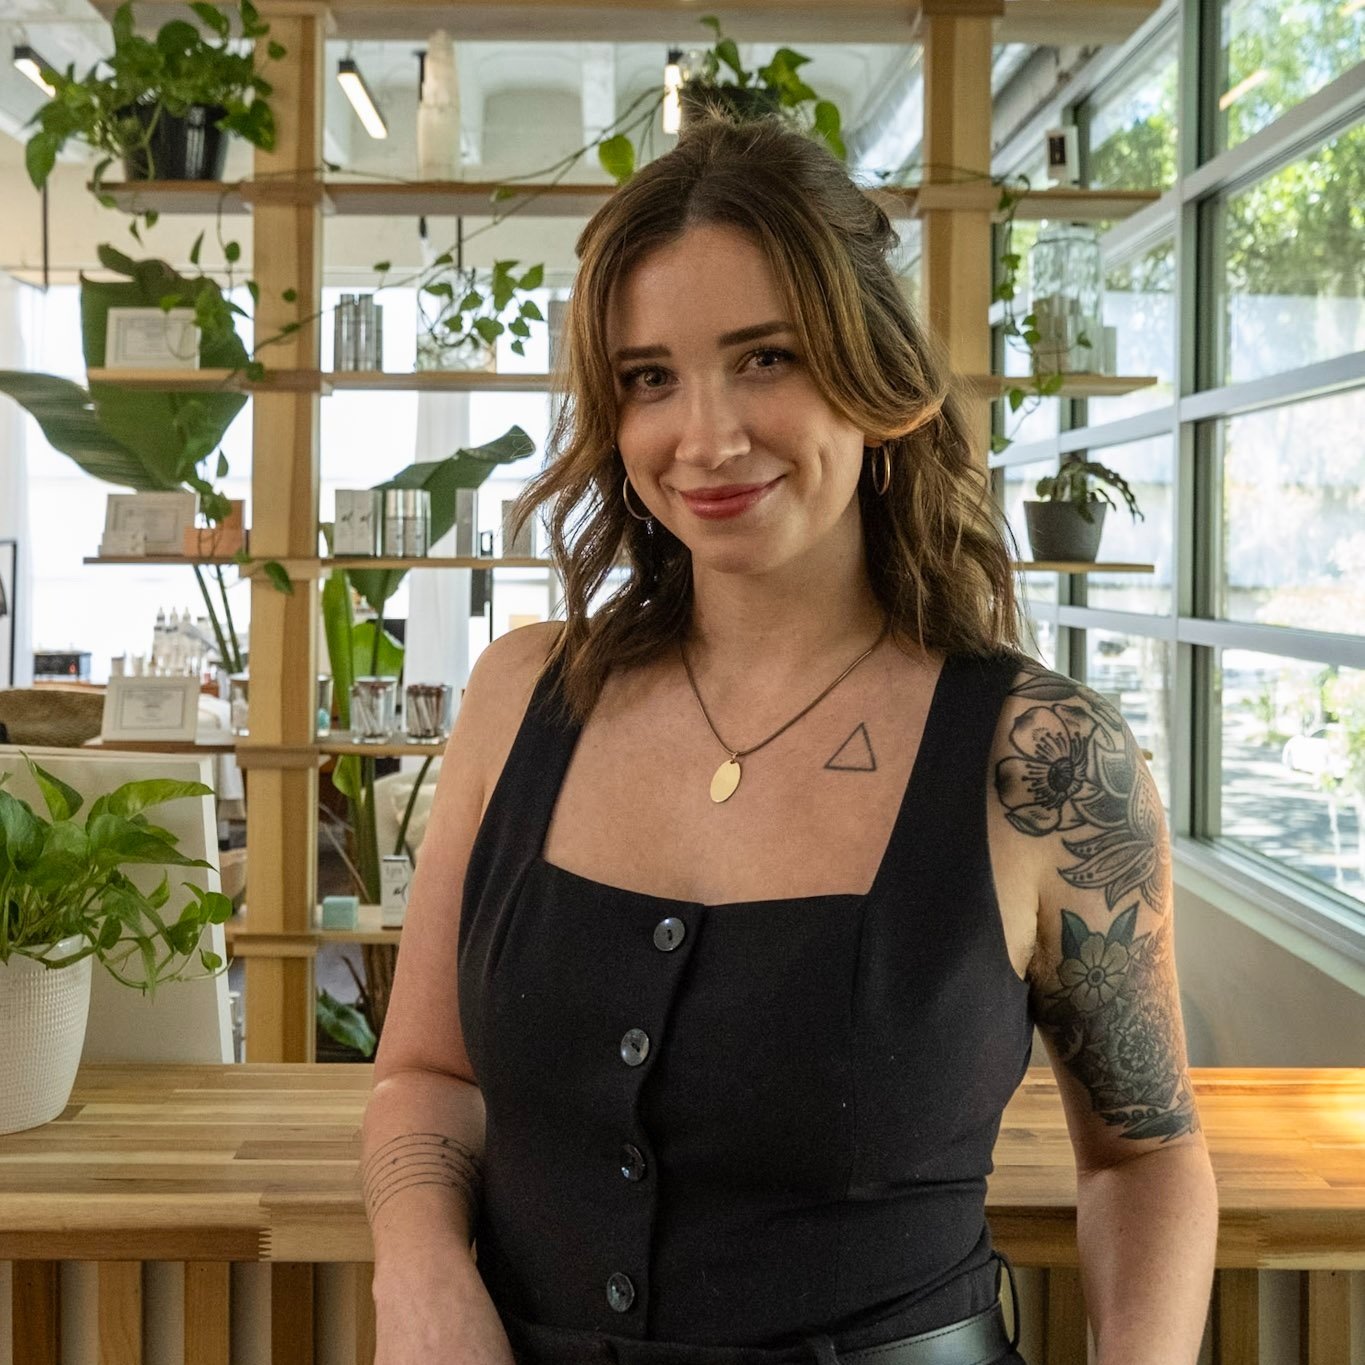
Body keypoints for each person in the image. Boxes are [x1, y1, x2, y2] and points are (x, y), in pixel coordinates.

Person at [360, 116, 1218, 1365]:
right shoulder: (523, 696)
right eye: (649, 376)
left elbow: (1145, 1154)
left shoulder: (1040, 759)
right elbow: (425, 1078)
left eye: (765, 359)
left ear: (881, 378)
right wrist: (422, 1282)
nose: (702, 438)